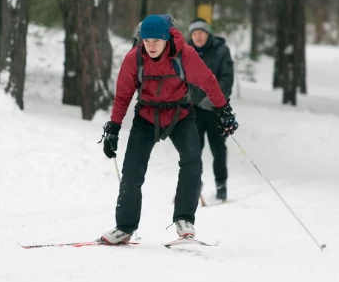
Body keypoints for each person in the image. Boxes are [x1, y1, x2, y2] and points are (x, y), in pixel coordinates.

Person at [99, 14, 239, 244]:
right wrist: (113, 128)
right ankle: (124, 227)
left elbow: (208, 81)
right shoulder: (134, 59)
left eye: (157, 40)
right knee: (132, 170)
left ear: (166, 39)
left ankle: (184, 220)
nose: (151, 45)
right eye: (147, 40)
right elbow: (123, 95)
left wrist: (223, 110)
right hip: (146, 115)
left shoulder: (184, 55)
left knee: (192, 161)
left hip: (180, 114)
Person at [187, 18, 234, 201]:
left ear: (208, 34)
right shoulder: (186, 52)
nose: (198, 36)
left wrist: (213, 99)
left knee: (218, 150)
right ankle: (195, 184)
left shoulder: (221, 51)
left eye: (201, 32)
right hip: (194, 109)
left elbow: (227, 78)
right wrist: (196, 99)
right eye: (194, 33)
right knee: (193, 149)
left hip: (216, 109)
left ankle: (221, 184)